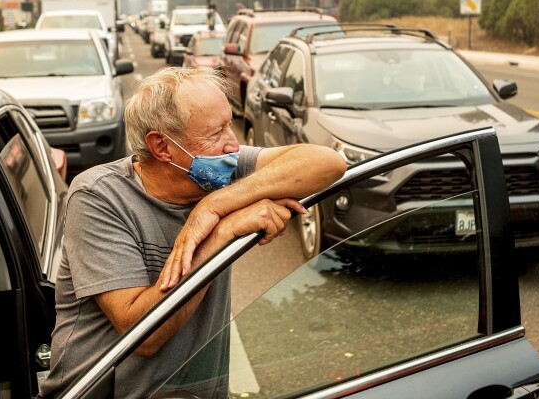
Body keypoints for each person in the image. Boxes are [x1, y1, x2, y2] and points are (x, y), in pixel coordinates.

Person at [38, 67, 346, 399]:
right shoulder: (99, 196)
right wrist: (223, 232)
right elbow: (141, 335)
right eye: (216, 132)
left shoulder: (220, 169)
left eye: (230, 123)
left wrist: (213, 206)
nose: (233, 143)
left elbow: (328, 163)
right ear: (162, 147)